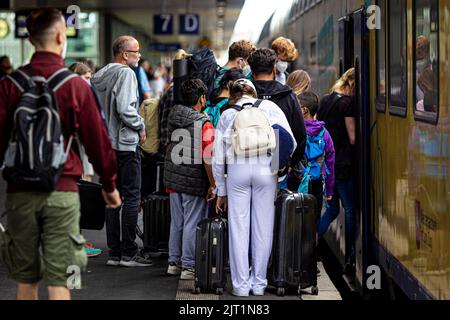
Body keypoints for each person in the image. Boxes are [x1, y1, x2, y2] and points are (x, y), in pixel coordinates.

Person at [0, 8, 121, 300]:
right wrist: (109, 186)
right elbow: (98, 142)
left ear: (29, 39)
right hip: (62, 191)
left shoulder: (8, 85)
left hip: (19, 194)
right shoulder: (76, 87)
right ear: (59, 36)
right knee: (62, 280)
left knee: (26, 281)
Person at [213, 79, 296, 297]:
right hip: (265, 170)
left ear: (233, 94)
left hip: (237, 170)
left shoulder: (227, 114)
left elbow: (217, 156)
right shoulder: (270, 108)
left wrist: (221, 189)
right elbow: (290, 140)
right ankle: (259, 283)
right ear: (254, 92)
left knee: (238, 228)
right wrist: (278, 170)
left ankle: (240, 286)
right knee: (263, 226)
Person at [91, 36, 151, 268]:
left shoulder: (99, 75)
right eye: (136, 51)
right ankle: (128, 253)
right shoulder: (125, 73)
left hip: (107, 144)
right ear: (124, 54)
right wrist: (141, 125)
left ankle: (115, 252)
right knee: (132, 197)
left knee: (112, 199)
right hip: (125, 144)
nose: (139, 55)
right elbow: (126, 110)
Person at [164, 79, 216, 280]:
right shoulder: (204, 123)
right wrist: (213, 184)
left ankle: (173, 263)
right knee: (193, 221)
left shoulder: (174, 114)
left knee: (177, 221)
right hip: (193, 179)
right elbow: (208, 156)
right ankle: (188, 266)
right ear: (202, 98)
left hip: (173, 176)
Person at [316, 68, 356, 275]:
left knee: (332, 209)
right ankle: (350, 252)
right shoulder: (347, 104)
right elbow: (352, 137)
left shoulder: (325, 100)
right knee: (349, 208)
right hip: (344, 164)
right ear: (352, 84)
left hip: (329, 163)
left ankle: (311, 240)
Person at [249, 48, 306, 170]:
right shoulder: (288, 96)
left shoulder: (245, 96)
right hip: (277, 165)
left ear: (253, 72)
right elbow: (300, 135)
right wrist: (289, 164)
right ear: (274, 70)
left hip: (248, 164)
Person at [296, 92, 335, 223]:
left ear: (304, 110)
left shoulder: (294, 130)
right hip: (316, 183)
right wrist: (329, 189)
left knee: (294, 220)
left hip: (296, 180)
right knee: (313, 222)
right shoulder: (325, 134)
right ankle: (312, 242)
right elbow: (330, 164)